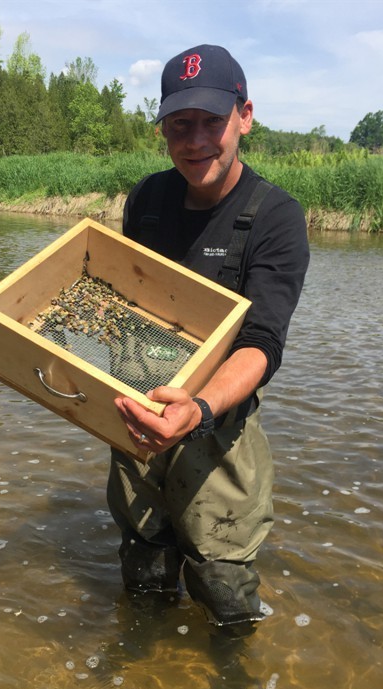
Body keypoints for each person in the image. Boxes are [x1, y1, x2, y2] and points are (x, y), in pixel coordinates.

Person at [108, 44, 310, 638]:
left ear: (244, 116)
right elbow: (124, 303)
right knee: (142, 566)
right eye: (179, 125)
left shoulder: (275, 218)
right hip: (137, 414)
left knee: (224, 593)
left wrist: (196, 410)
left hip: (216, 426)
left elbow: (262, 343)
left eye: (211, 123)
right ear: (163, 129)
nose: (195, 140)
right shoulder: (146, 200)